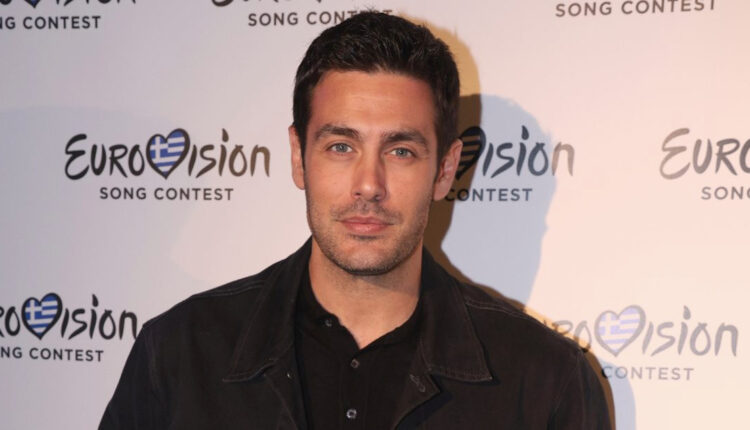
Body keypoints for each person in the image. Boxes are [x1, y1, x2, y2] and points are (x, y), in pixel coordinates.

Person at [100, 12, 611, 430]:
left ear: (444, 169)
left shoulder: (546, 381)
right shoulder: (179, 356)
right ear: (299, 157)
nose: (369, 184)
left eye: (401, 150)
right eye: (341, 146)